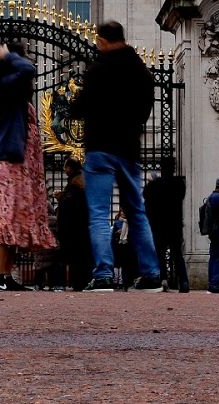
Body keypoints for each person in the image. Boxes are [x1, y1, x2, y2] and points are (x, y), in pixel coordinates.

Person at [73, 20, 163, 293]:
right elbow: (146, 111)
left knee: (99, 214)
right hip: (129, 149)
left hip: (100, 147)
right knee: (137, 212)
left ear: (101, 40)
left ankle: (103, 275)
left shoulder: (97, 70)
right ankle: (151, 274)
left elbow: (80, 108)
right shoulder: (142, 72)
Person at [0, 39, 57, 292]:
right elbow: (28, 69)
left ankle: (5, 276)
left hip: (21, 163)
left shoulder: (14, 92)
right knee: (6, 217)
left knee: (15, 218)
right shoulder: (5, 86)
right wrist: (8, 56)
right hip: (7, 160)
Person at [143, 168, 188, 293]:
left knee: (160, 255)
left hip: (159, 228)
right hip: (174, 226)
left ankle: (164, 281)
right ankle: (184, 282)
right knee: (177, 255)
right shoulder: (175, 188)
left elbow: (147, 211)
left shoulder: (152, 193)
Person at [54, 159, 91, 290]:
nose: (64, 170)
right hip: (81, 228)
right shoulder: (80, 183)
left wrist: (61, 198)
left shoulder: (75, 184)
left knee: (73, 258)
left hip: (72, 229)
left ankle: (73, 283)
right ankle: (81, 282)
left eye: (65, 167)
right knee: (81, 257)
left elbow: (70, 206)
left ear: (70, 168)